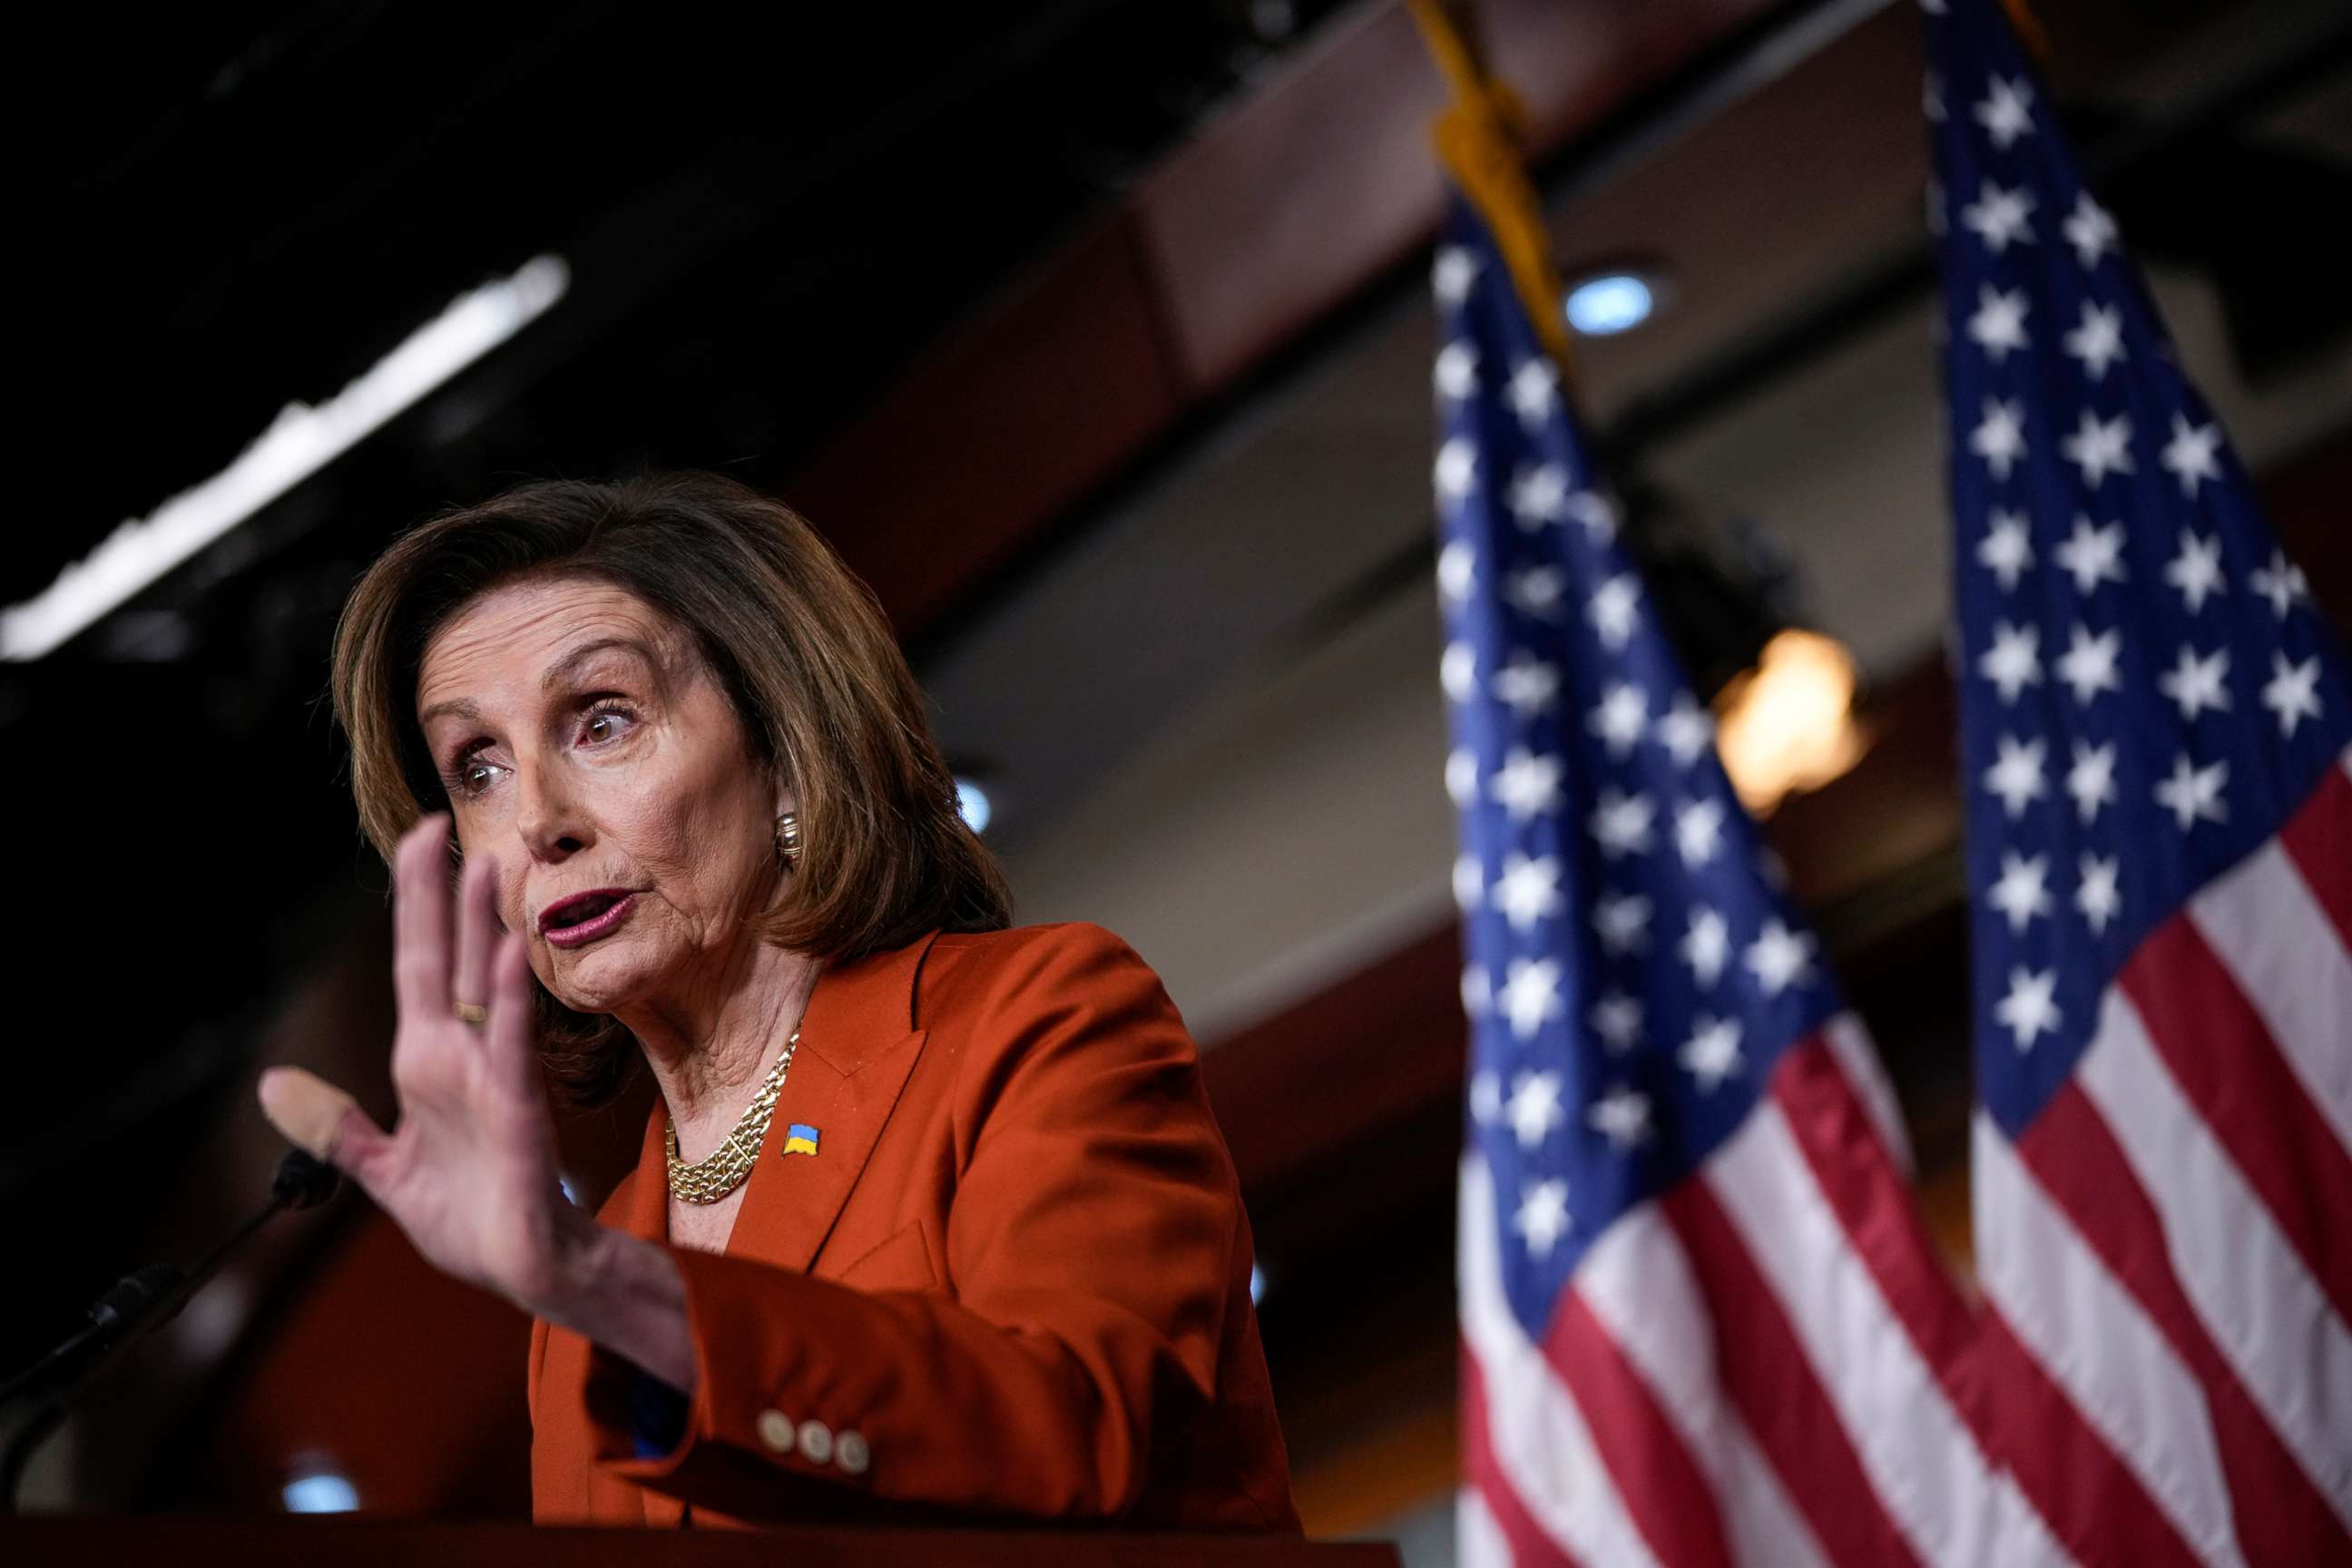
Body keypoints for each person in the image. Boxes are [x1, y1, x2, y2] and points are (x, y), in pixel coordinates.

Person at [255, 471, 1298, 1530]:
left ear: (788, 758)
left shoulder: (1037, 1020)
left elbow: (1068, 1424)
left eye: (602, 720)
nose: (536, 821)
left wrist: (596, 1282)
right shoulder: (590, 1276)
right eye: (475, 766)